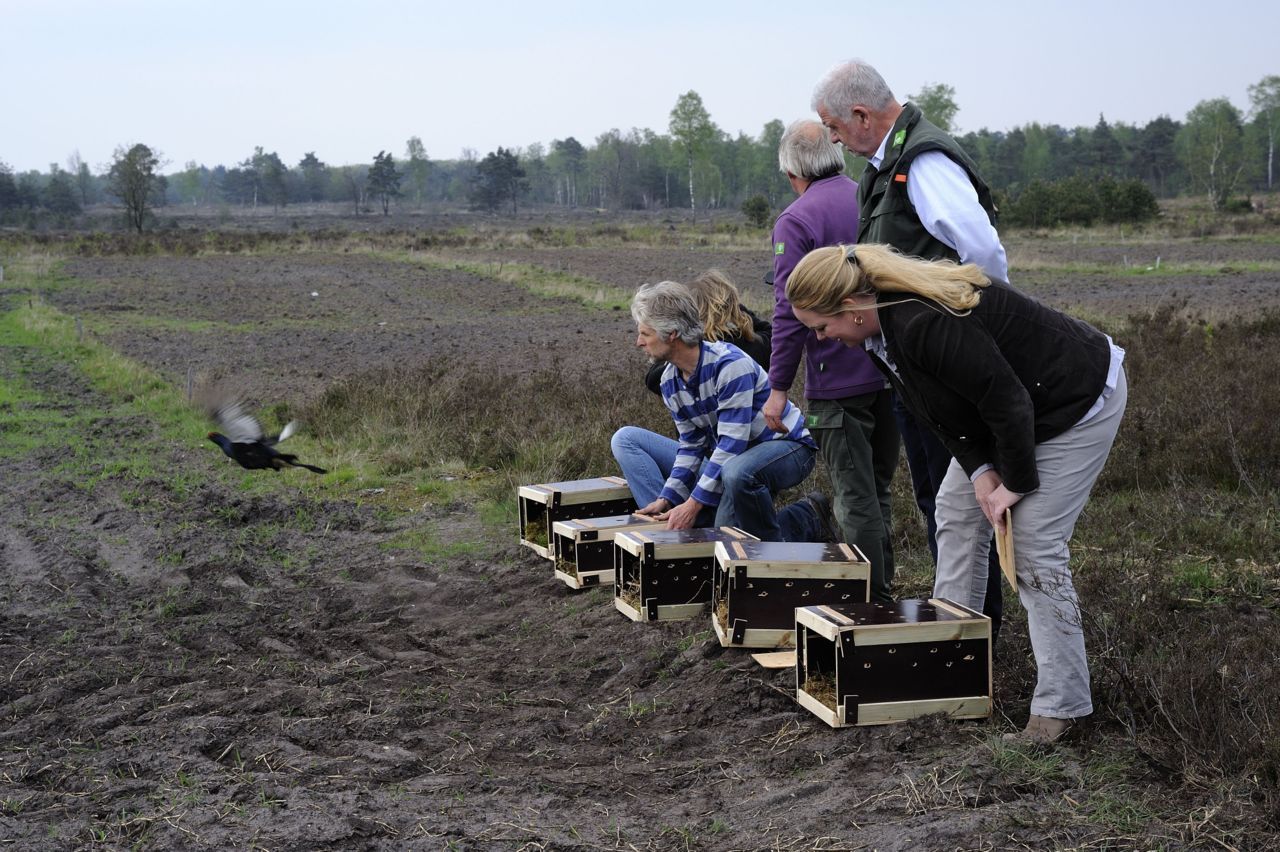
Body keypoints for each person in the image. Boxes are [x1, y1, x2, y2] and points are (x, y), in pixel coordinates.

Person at [786, 243, 1128, 745]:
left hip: (1075, 400)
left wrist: (1011, 483)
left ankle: (1063, 707)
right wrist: (980, 472)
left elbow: (1007, 400)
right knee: (955, 508)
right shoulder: (883, 331)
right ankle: (946, 669)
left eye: (822, 327)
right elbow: (939, 413)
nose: (823, 339)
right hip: (1018, 409)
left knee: (1034, 548)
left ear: (852, 309)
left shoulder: (922, 322)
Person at [811, 58, 1005, 633]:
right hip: (912, 369)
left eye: (835, 127)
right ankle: (958, 619)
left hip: (947, 367)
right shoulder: (883, 166)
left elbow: (984, 256)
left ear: (863, 115)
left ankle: (974, 627)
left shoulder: (923, 163)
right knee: (933, 498)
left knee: (960, 507)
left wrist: (979, 334)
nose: (833, 140)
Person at [764, 119, 898, 602]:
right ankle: (883, 586)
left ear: (790, 171)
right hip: (888, 372)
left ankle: (869, 601)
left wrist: (778, 389)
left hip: (836, 381)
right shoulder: (869, 196)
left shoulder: (796, 221)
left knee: (853, 495)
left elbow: (788, 311)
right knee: (878, 489)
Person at [611, 280, 828, 543]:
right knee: (718, 524)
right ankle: (679, 533)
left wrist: (693, 504)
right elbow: (690, 446)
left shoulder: (729, 366)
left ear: (671, 333)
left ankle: (803, 520)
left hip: (788, 448)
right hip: (734, 462)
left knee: (726, 523)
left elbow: (730, 446)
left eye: (645, 334)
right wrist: (667, 498)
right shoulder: (670, 380)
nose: (638, 342)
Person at [643, 268, 771, 394]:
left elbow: (652, 379)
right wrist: (734, 308)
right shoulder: (757, 346)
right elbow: (770, 332)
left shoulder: (692, 355)